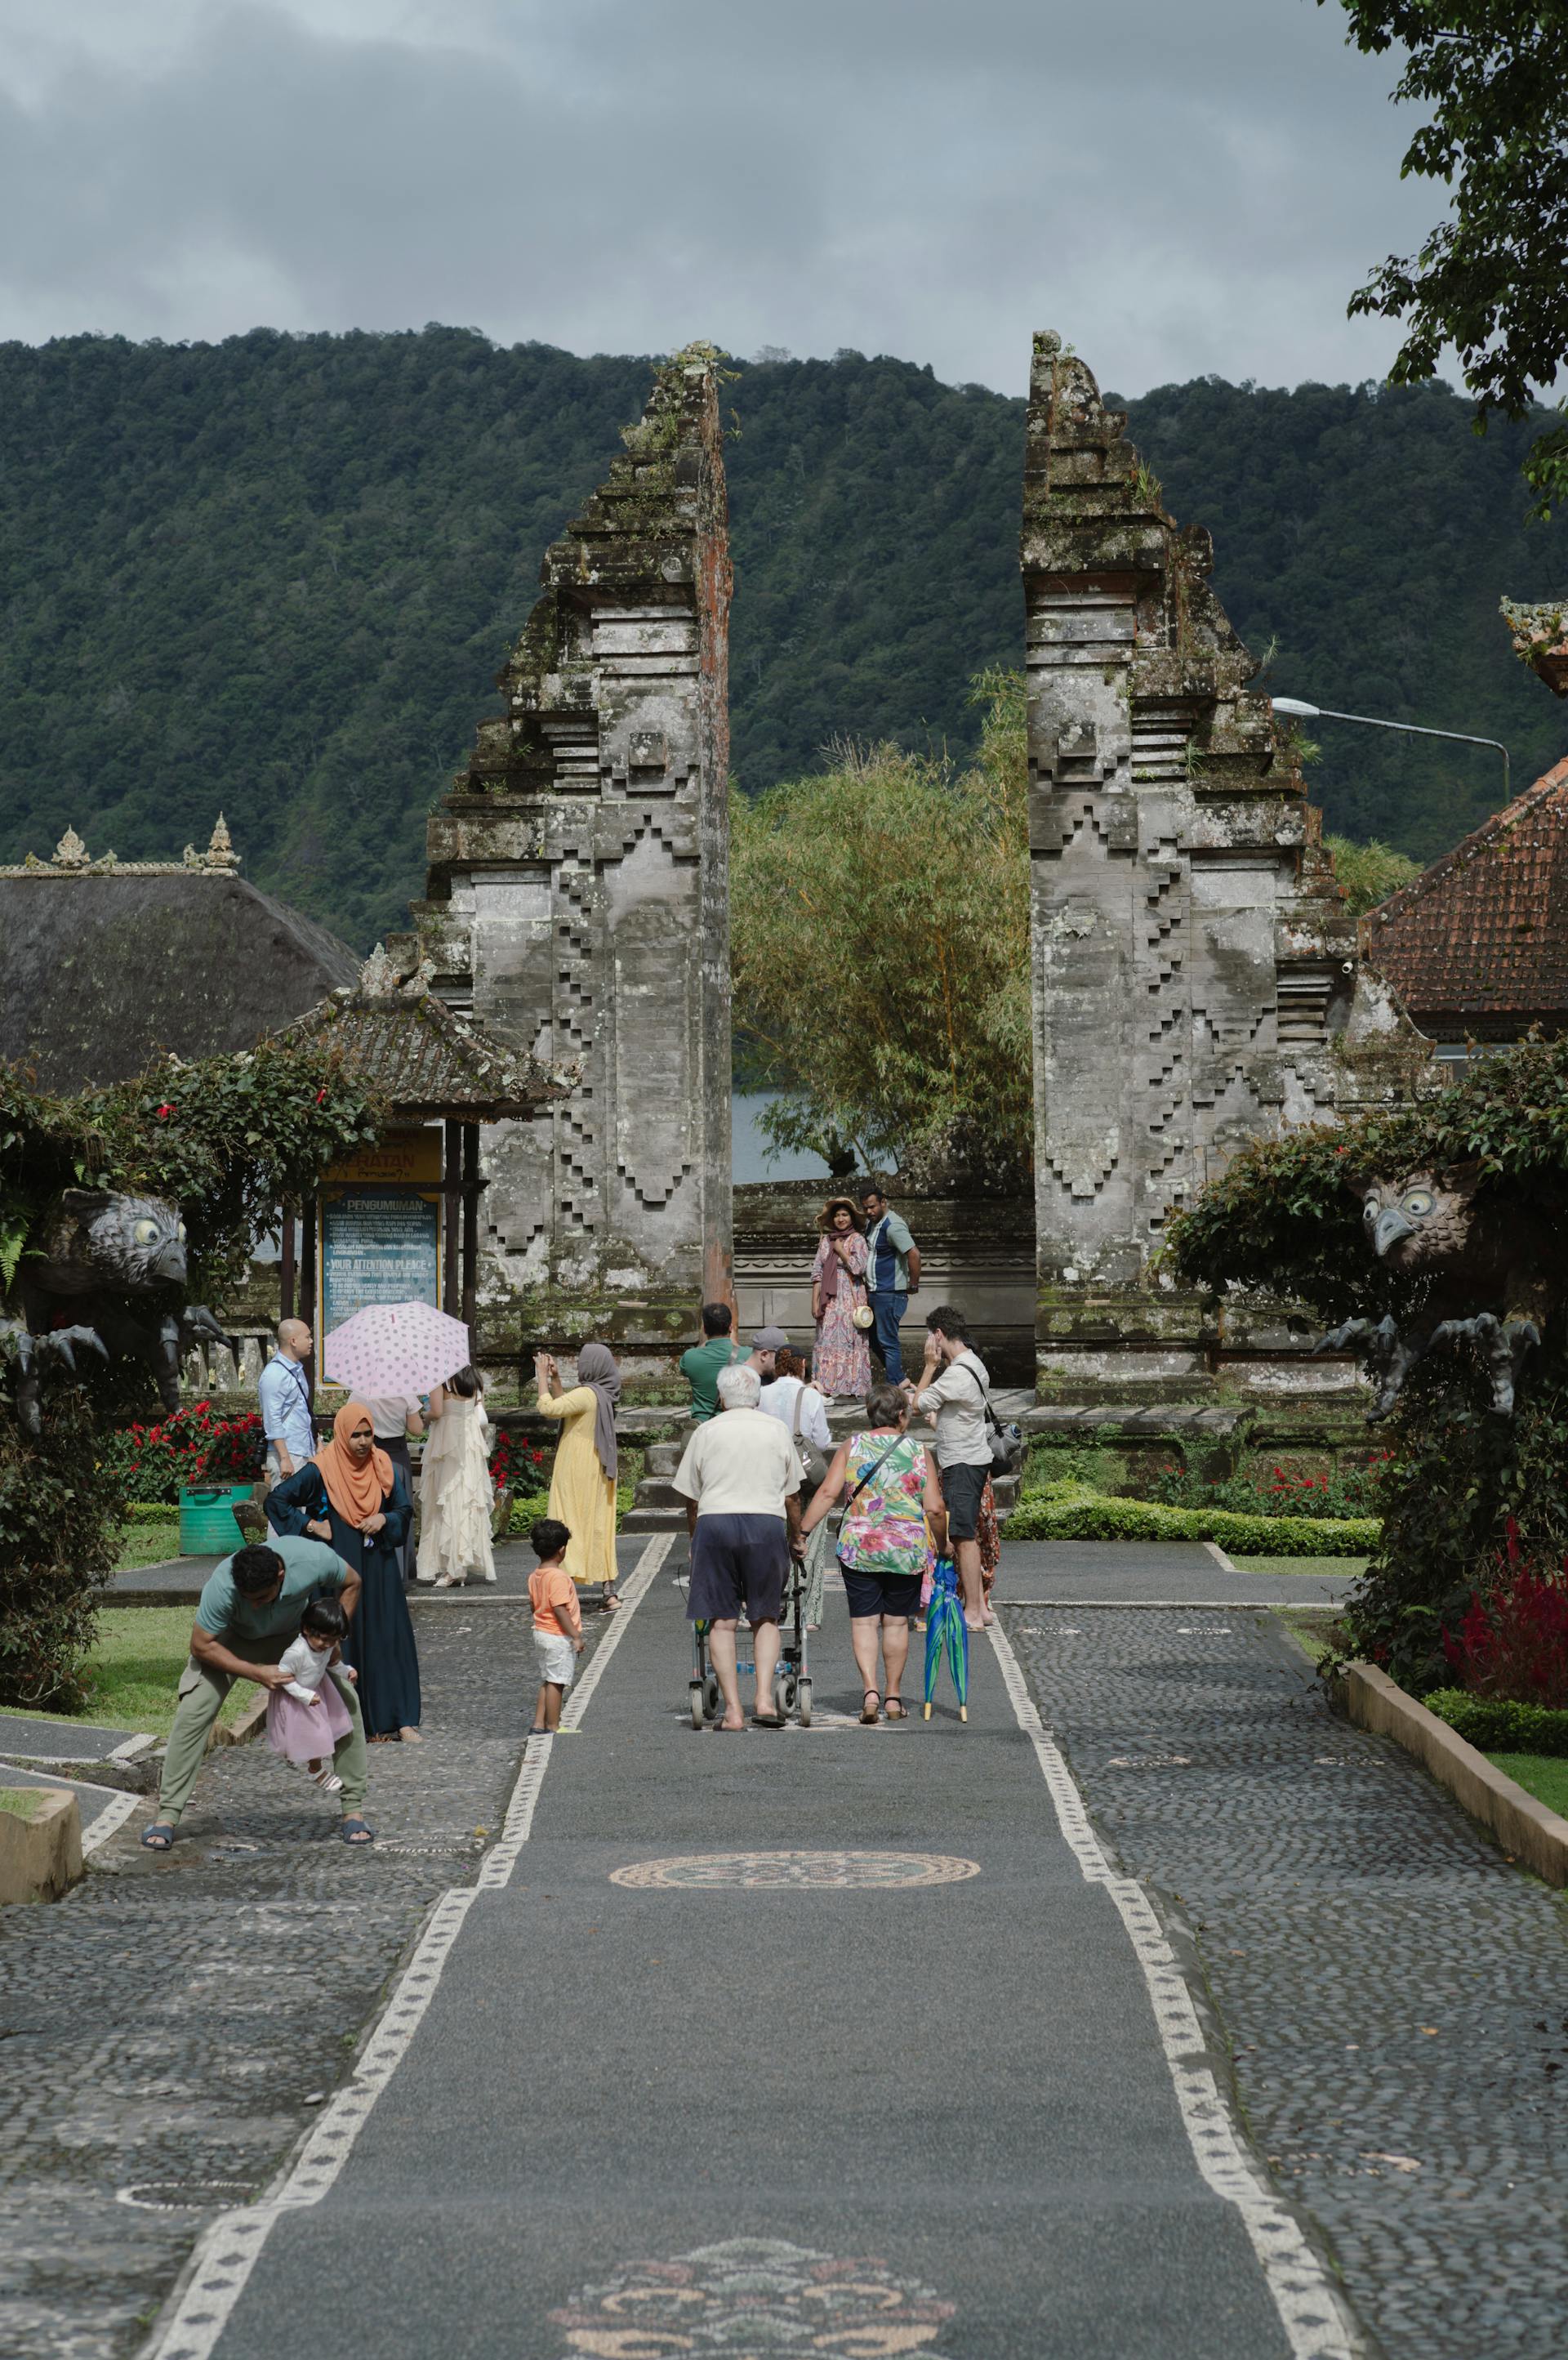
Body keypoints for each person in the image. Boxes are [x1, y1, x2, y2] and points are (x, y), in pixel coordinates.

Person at [140, 1537, 372, 1850]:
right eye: (247, 1598)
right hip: (231, 1641)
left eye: (261, 1598)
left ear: (280, 1576)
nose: (254, 1605)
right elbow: (201, 1645)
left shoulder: (311, 1559)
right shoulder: (222, 1587)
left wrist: (332, 1637)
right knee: (194, 1710)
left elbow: (353, 1582)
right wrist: (256, 1672)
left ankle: (353, 1810)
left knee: (348, 1700)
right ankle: (167, 1815)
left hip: (293, 1638)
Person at [266, 1401, 421, 1743]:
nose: (364, 1442)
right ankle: (348, 1724)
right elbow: (276, 1501)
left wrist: (385, 1519)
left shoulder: (384, 1467)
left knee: (387, 1638)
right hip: (338, 1571)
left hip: (379, 1568)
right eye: (356, 1435)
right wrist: (311, 1525)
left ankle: (398, 1719)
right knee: (341, 1641)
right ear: (341, 1435)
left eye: (368, 1434)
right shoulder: (321, 1471)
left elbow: (403, 1509)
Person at [800, 1383, 947, 1724]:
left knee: (864, 1622)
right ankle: (893, 1698)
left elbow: (826, 1493)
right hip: (905, 1550)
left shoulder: (853, 1446)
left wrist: (803, 1532)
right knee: (896, 1623)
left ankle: (870, 1692)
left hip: (860, 1548)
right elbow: (936, 1509)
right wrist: (944, 1544)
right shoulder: (918, 1451)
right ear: (900, 1415)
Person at [672, 1360, 804, 1732]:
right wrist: (796, 1537)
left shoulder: (706, 1431)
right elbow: (793, 1495)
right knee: (766, 1616)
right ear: (757, 1395)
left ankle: (733, 1711)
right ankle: (763, 1698)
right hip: (765, 1523)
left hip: (716, 1524)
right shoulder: (776, 1430)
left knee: (722, 1620)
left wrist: (694, 1538)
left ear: (722, 1397)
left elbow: (692, 1498)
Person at [907, 1306, 993, 1633]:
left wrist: (928, 1367)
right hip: (971, 1457)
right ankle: (980, 1606)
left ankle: (972, 1609)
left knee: (962, 1536)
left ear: (939, 1335)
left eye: (932, 1337)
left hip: (963, 1460)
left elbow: (916, 1405)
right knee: (965, 1533)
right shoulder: (973, 1363)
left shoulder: (958, 1372)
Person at [535, 1341, 622, 1608]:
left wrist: (541, 1378)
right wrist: (556, 1378)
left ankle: (561, 1587)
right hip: (596, 1468)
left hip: (576, 1468)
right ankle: (609, 1592)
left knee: (565, 1520)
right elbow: (566, 1404)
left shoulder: (587, 1394)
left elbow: (549, 1409)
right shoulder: (601, 1393)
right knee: (598, 1525)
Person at [759, 1345, 833, 1629]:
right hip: (802, 1473)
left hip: (769, 1471)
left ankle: (770, 1602)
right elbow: (822, 1441)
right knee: (808, 1536)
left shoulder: (762, 1394)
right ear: (802, 1365)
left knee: (773, 1535)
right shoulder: (810, 1395)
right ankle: (807, 1614)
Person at [266, 1593, 355, 1791]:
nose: (328, 1645)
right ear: (307, 1629)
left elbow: (331, 1664)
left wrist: (346, 1671)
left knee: (315, 1733)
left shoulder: (327, 1646)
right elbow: (283, 1677)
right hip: (294, 1697)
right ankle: (316, 1771)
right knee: (314, 1734)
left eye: (334, 1640)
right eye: (324, 1639)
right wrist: (304, 1696)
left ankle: (296, 1754)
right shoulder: (296, 1652)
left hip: (315, 1691)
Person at [415, 1367, 494, 1589]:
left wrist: (423, 1414)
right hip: (469, 1440)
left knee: (445, 1500)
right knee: (466, 1500)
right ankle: (460, 1563)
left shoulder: (440, 1379)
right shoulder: (475, 1378)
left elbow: (437, 1412)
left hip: (446, 1442)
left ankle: (453, 1568)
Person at [859, 1183, 921, 1385]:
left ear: (883, 1202)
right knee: (875, 1340)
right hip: (875, 1292)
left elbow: (914, 1254)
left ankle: (894, 1385)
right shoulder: (872, 1224)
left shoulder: (893, 1226)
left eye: (872, 1206)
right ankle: (899, 1379)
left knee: (888, 1342)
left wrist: (913, 1284)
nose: (869, 1211)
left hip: (890, 1293)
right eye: (865, 1208)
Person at [810, 1198, 872, 1399]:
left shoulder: (858, 1240)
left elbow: (858, 1267)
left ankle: (853, 1386)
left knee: (851, 1340)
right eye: (837, 1215)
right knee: (827, 1340)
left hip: (850, 1297)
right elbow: (817, 1272)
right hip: (829, 1301)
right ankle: (827, 1385)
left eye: (844, 1214)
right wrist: (814, 1302)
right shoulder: (825, 1242)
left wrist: (840, 1251)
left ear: (851, 1217)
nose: (840, 1219)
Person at [528, 1518, 585, 1733]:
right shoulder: (558, 1577)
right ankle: (553, 1725)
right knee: (557, 1682)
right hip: (557, 1636)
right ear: (562, 1550)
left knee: (548, 1679)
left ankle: (538, 1723)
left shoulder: (535, 1575)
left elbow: (534, 1605)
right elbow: (560, 1609)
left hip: (541, 1633)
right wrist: (576, 1636)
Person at [367, 1395, 424, 1582]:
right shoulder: (405, 1394)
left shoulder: (360, 1393)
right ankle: (401, 1570)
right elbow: (417, 1429)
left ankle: (375, 1566)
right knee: (400, 1509)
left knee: (374, 1508)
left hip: (370, 1454)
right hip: (397, 1455)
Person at [257, 1319, 315, 1489]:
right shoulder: (275, 1374)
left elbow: (303, 1412)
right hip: (287, 1453)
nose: (311, 1341)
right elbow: (272, 1419)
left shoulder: (297, 1369)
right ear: (293, 1341)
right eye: (308, 1337)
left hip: (301, 1450)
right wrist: (284, 1458)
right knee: (285, 1512)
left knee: (301, 1512)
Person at [679, 1302, 751, 1424]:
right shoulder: (748, 1355)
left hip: (703, 1424)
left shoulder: (690, 1357)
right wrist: (734, 1345)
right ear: (730, 1327)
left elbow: (685, 1368)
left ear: (705, 1329)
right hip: (735, 1424)